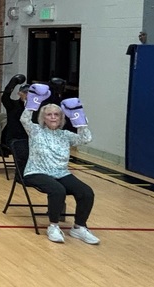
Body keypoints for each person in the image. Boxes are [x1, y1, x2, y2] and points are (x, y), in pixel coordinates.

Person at [20, 85, 100, 245]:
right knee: (58, 190)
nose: (53, 117)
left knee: (86, 192)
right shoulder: (35, 130)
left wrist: (80, 119)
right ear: (43, 118)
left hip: (61, 172)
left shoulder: (65, 135)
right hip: (36, 172)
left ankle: (79, 227)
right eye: (49, 114)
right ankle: (53, 226)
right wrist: (32, 103)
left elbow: (85, 139)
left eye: (56, 114)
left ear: (62, 118)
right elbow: (24, 120)